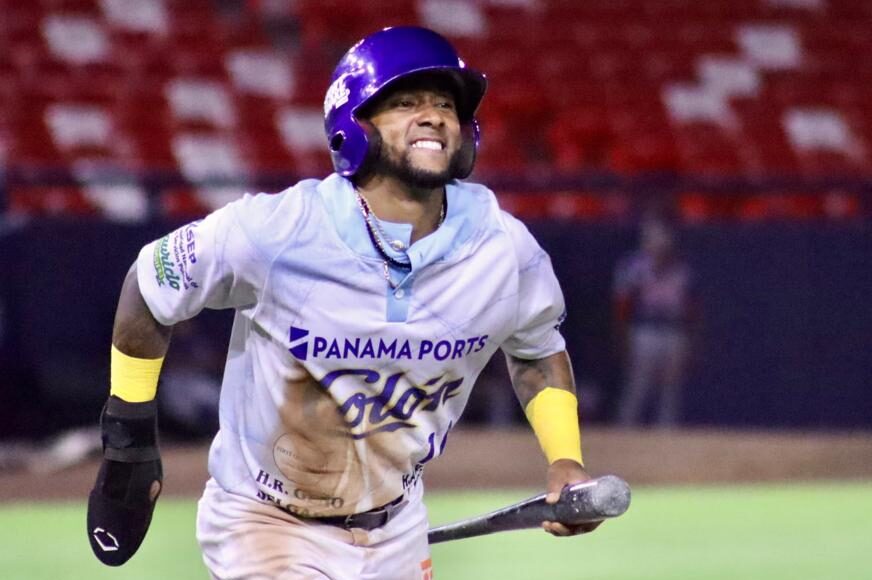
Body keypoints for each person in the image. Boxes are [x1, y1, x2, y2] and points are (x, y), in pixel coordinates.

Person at [86, 26, 600, 578]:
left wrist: (565, 458)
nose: (432, 116)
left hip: (399, 525)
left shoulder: (505, 250)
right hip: (264, 522)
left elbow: (536, 352)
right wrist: (128, 440)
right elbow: (150, 284)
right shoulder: (277, 229)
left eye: (445, 105)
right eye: (405, 102)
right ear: (353, 124)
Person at [613, 216, 698, 426]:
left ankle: (666, 430)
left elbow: (691, 305)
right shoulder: (635, 268)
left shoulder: (681, 269)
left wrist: (692, 337)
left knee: (671, 387)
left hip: (673, 329)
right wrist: (623, 334)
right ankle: (625, 429)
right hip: (645, 329)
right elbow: (624, 304)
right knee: (639, 384)